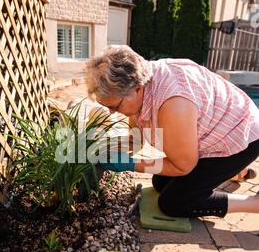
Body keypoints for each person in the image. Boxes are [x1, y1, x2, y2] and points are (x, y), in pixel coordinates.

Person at [85, 45, 259, 218]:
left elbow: (182, 166)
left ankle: (254, 203)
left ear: (136, 89)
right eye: (106, 107)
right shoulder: (138, 82)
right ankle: (236, 172)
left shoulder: (174, 103)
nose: (112, 112)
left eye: (115, 106)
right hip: (214, 132)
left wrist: (129, 164)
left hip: (241, 136)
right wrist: (110, 148)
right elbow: (135, 138)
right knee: (160, 182)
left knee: (174, 203)